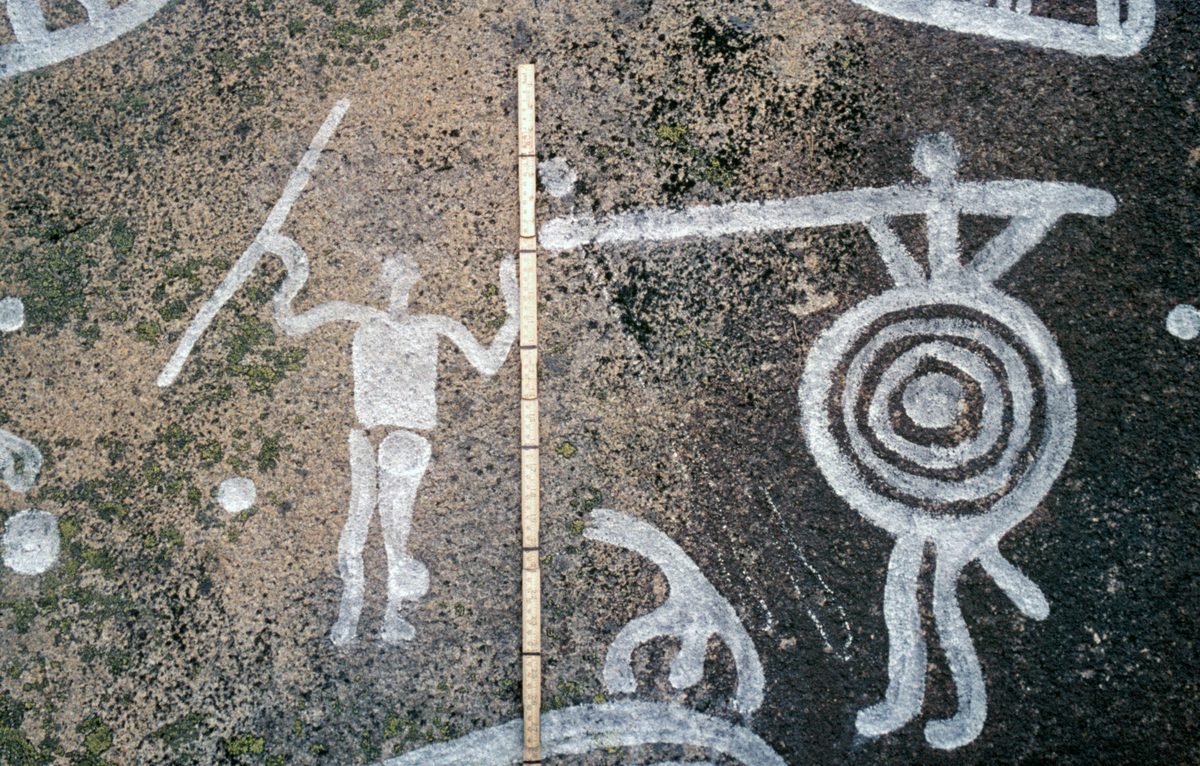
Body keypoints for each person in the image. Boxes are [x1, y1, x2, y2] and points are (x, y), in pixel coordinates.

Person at [275, 255, 518, 645]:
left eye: (405, 274)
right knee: (372, 523)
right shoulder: (383, 317)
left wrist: (512, 294)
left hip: (397, 435)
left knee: (383, 525)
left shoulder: (409, 321)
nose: (400, 283)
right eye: (397, 273)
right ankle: (367, 613)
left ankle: (375, 614)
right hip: (379, 434)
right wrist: (293, 268)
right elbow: (291, 320)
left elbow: (489, 363)